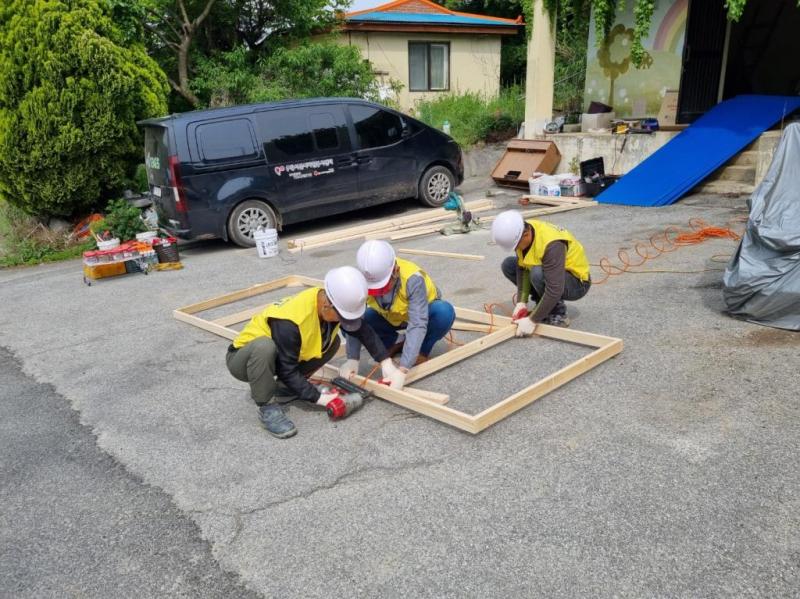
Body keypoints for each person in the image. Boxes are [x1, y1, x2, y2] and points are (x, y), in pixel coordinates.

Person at [226, 266, 402, 439]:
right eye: (342, 317)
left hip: (280, 355)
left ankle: (285, 389)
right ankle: (266, 407)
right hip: (244, 359)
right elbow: (287, 369)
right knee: (264, 346)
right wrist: (318, 397)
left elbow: (363, 330)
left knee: (330, 343)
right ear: (327, 306)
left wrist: (385, 362)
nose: (345, 322)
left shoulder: (334, 299)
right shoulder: (289, 321)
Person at [341, 240, 455, 386]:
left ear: (395, 270)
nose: (380, 293)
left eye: (383, 287)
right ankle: (396, 341)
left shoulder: (412, 279)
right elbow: (354, 318)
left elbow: (418, 323)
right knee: (349, 325)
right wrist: (352, 358)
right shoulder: (362, 279)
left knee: (444, 312)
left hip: (422, 314)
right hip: (390, 318)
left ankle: (421, 351)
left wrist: (403, 369)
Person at [491, 209, 591, 336]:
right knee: (509, 265)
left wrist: (532, 321)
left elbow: (555, 289)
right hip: (552, 275)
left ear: (526, 234)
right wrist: (522, 302)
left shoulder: (552, 244)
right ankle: (543, 304)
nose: (515, 249)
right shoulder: (521, 230)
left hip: (577, 283)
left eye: (516, 246)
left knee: (537, 273)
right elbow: (523, 267)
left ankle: (557, 313)